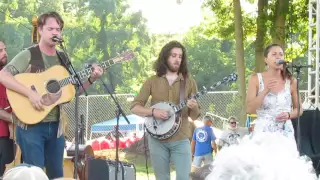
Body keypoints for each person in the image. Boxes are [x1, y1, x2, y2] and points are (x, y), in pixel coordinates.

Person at [0, 12, 103, 179]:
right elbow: (3, 75)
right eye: (50, 29)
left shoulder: (63, 58)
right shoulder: (29, 54)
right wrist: (30, 94)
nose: (55, 33)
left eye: (58, 29)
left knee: (57, 175)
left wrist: (91, 79)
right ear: (40, 30)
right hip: (31, 126)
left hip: (56, 127)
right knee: (35, 174)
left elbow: (71, 92)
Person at [131, 40, 200, 180]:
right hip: (157, 139)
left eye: (180, 56)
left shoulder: (189, 82)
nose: (177, 59)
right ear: (165, 57)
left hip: (181, 138)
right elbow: (134, 107)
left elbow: (196, 116)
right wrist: (153, 112)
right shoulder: (152, 81)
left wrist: (194, 106)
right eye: (173, 55)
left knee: (184, 177)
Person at [246, 44, 303, 144]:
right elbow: (249, 109)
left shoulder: (291, 81)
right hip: (263, 134)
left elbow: (299, 109)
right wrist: (265, 91)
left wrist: (289, 114)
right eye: (274, 54)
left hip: (285, 133)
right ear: (266, 59)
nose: (278, 57)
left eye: (281, 54)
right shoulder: (255, 79)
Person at [0, 40, 15, 176]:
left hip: (9, 136)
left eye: (5, 49)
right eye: (0, 51)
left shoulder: (7, 76)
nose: (5, 53)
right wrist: (14, 120)